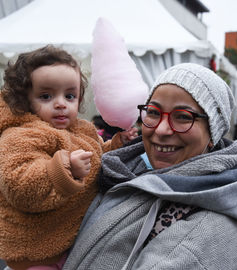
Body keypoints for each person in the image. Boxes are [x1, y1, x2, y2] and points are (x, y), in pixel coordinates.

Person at [63, 63, 237, 269]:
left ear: (213, 133)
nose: (161, 129)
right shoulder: (123, 172)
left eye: (183, 117)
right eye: (153, 112)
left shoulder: (206, 230)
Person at [0, 45, 137, 270]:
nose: (61, 103)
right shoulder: (21, 134)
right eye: (46, 96)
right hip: (36, 254)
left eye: (70, 95)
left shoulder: (81, 129)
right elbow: (19, 184)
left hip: (68, 244)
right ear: (24, 100)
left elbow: (94, 156)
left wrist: (116, 145)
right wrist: (65, 170)